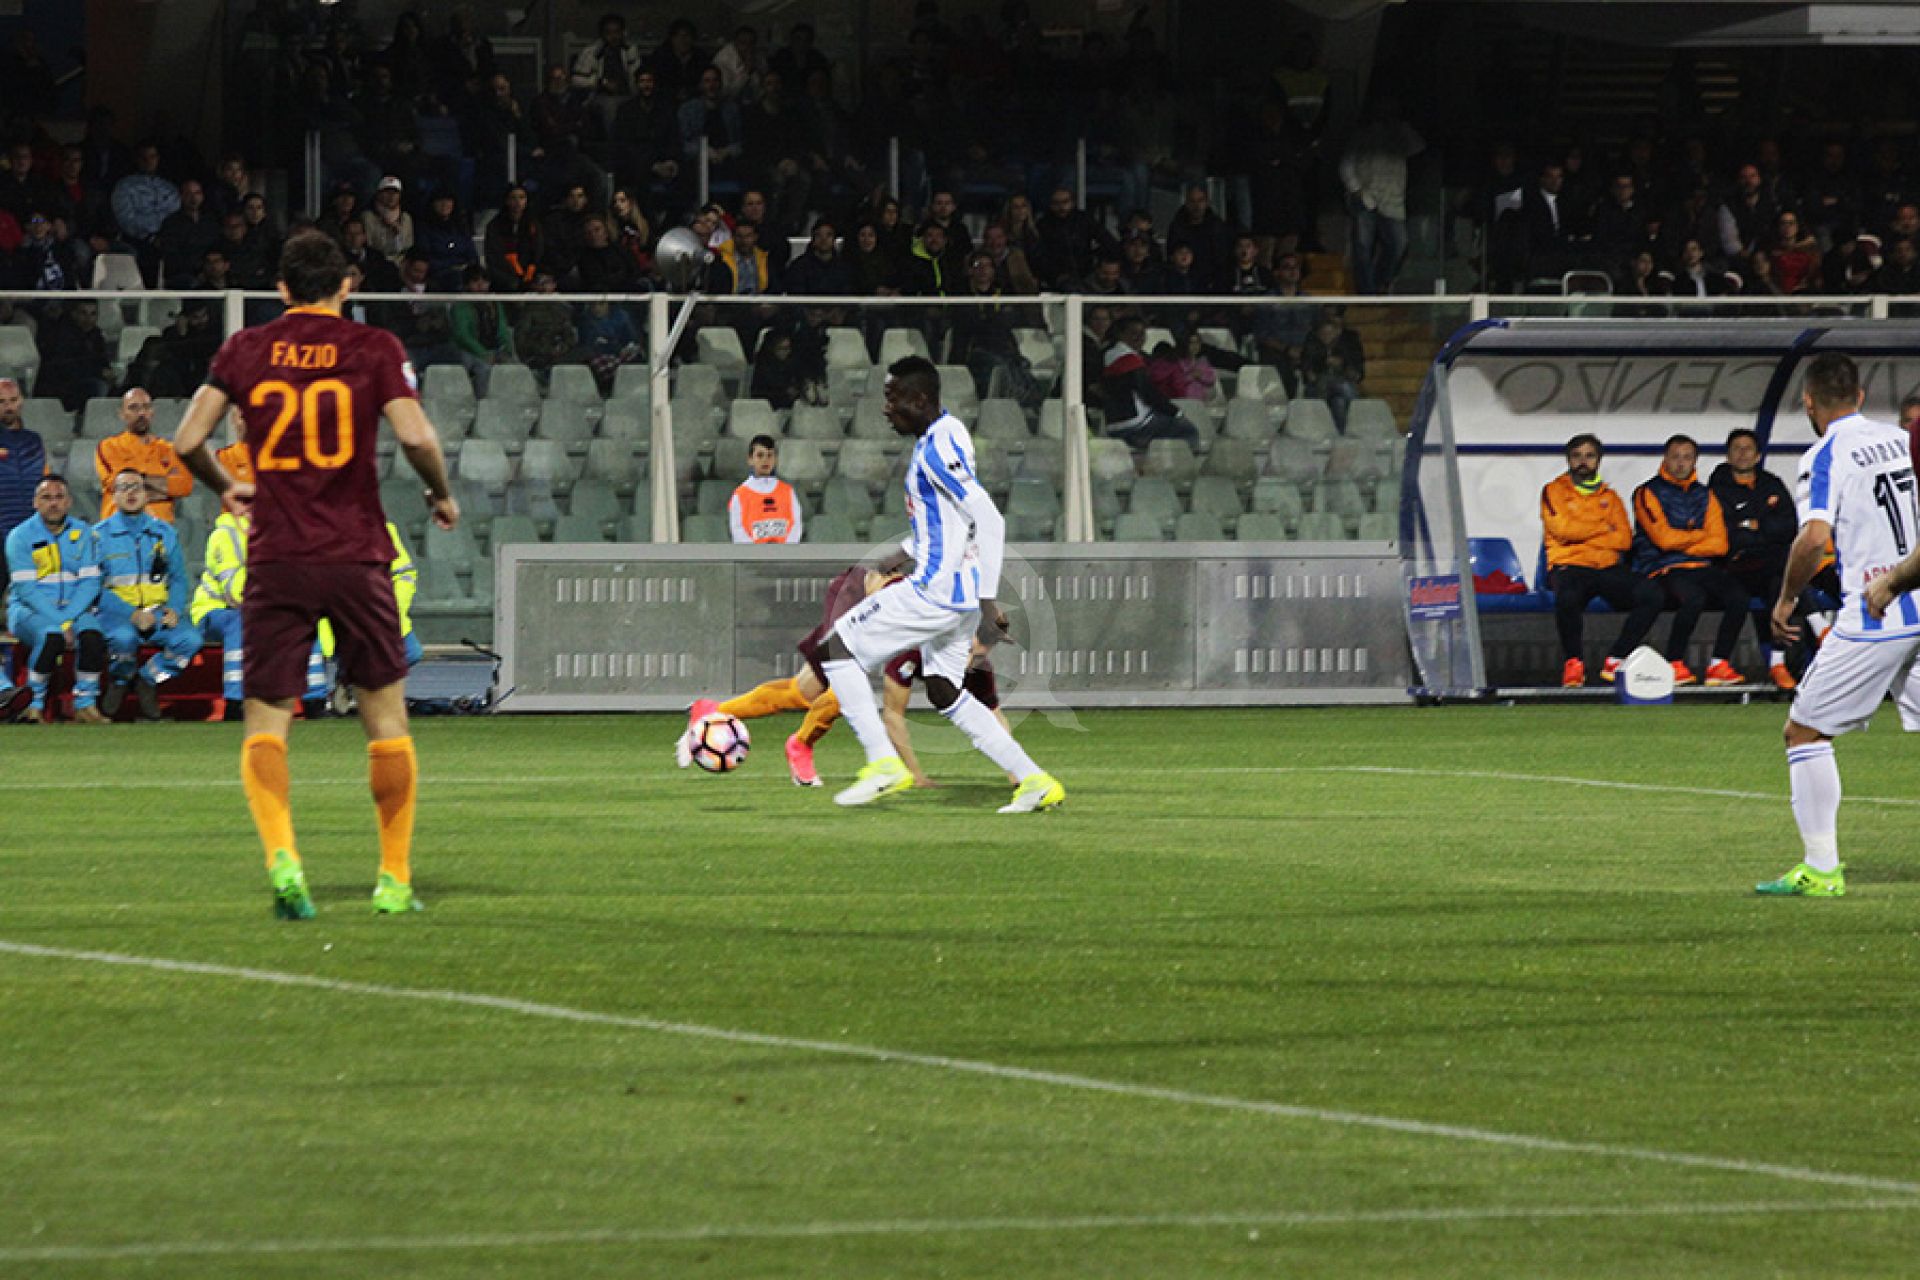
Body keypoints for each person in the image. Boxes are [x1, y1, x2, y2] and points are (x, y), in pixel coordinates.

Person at [171, 230, 459, 920]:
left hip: (277, 557)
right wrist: (439, 493)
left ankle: (284, 859)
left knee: (266, 720)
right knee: (385, 718)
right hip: (357, 554)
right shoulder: (375, 347)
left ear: (281, 289)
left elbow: (186, 440)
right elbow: (416, 435)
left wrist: (224, 485)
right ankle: (393, 880)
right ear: (347, 284)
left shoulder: (245, 349)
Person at [813, 356, 1065, 812]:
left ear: (919, 399)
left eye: (892, 399)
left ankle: (882, 763)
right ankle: (1034, 780)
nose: (886, 409)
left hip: (936, 592)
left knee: (836, 649)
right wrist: (903, 552)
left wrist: (988, 602)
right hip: (958, 595)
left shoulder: (934, 451)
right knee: (944, 689)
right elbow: (951, 521)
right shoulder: (948, 434)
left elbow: (988, 517)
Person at [1760, 352, 1920, 898]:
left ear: (1808, 402)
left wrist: (1787, 598)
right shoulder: (1902, 439)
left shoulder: (1825, 455)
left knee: (1804, 731)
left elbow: (1814, 538)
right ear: (1860, 394)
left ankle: (1822, 869)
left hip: (1879, 610)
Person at [1631, 433, 1750, 686]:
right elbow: (1663, 540)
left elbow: (1720, 544)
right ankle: (1674, 661)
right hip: (1665, 567)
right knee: (1694, 598)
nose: (1680, 463)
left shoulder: (1706, 495)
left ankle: (1719, 663)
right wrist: (1699, 536)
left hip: (1702, 567)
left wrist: (1684, 541)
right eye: (1675, 457)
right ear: (1665, 458)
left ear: (1695, 461)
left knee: (1739, 597)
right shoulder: (1646, 492)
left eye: (1687, 457)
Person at [1541, 433, 1657, 686]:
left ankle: (1617, 658)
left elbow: (1624, 540)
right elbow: (1562, 530)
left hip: (1607, 567)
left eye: (1589, 456)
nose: (1583, 461)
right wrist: (1603, 528)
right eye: (1577, 456)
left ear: (1598, 460)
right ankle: (1574, 663)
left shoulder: (1611, 497)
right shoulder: (1553, 491)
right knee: (1567, 598)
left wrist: (1583, 533)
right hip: (1569, 564)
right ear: (1568, 460)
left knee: (1653, 593)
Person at [95, 467, 200, 718]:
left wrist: (174, 609)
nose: (130, 493)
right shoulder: (98, 535)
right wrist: (131, 614)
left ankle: (146, 679)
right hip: (116, 615)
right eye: (123, 488)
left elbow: (178, 578)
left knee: (190, 641)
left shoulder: (165, 532)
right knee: (123, 639)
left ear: (147, 494)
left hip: (157, 612)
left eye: (137, 487)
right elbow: (93, 587)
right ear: (113, 495)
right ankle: (120, 680)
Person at [4, 475, 108, 723]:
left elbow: (90, 583)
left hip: (74, 610)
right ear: (35, 503)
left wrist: (68, 619)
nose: (53, 503)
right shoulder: (20, 536)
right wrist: (62, 623)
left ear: (69, 501)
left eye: (59, 497)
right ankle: (34, 706)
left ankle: (85, 705)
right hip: (28, 611)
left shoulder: (85, 534)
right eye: (46, 498)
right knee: (51, 637)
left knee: (93, 637)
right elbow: (27, 590)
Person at [1708, 428, 1800, 689]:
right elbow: (1728, 534)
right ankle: (1819, 627)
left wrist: (1754, 526)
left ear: (1758, 455)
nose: (1742, 454)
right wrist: (1763, 530)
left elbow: (1790, 527)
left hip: (1769, 565)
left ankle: (1778, 664)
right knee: (1782, 577)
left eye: (1748, 448)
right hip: (1735, 566)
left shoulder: (1772, 484)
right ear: (1728, 456)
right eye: (1736, 448)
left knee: (1779, 585)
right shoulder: (1717, 489)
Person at [1099, 315, 1201, 450]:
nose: (1139, 338)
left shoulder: (1108, 355)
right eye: (1133, 333)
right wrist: (1175, 412)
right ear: (1120, 335)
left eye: (1142, 333)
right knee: (1188, 430)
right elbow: (1148, 393)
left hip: (1113, 425)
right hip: (1136, 425)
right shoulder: (1129, 360)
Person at [95, 387, 192, 522]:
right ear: (122, 414)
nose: (141, 413)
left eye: (146, 407)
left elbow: (184, 486)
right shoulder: (108, 447)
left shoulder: (170, 450)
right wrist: (163, 490)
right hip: (118, 529)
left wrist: (133, 488)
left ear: (152, 412)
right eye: (133, 408)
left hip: (160, 528)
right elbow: (116, 483)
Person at [728, 434, 802, 544]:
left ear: (775, 459)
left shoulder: (788, 491)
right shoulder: (740, 494)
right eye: (760, 455)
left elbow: (796, 525)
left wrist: (785, 549)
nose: (765, 460)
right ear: (750, 459)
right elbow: (737, 529)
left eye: (769, 455)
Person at [0, 376, 48, 535]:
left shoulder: (34, 441)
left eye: (13, 400)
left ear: (21, 401)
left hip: (32, 528)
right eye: (1, 401)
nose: (8, 406)